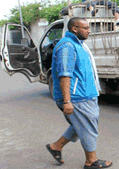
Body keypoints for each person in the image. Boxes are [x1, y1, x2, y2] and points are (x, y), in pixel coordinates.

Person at [46, 17, 112, 169]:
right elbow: (64, 74)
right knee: (88, 127)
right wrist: (67, 101)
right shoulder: (67, 46)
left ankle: (56, 146)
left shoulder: (78, 44)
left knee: (80, 125)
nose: (89, 31)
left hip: (86, 94)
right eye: (86, 28)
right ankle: (91, 162)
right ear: (74, 29)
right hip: (77, 98)